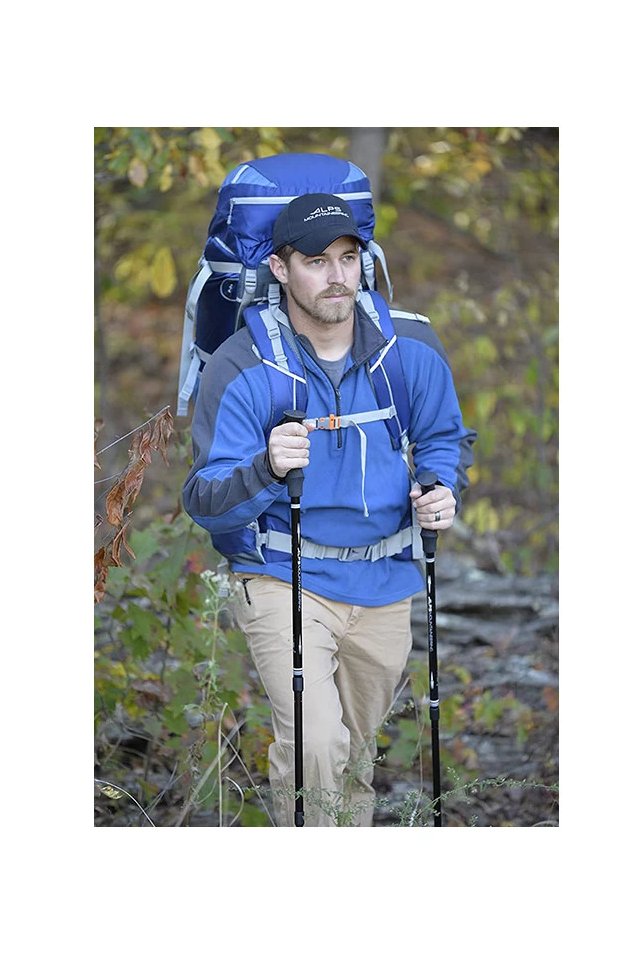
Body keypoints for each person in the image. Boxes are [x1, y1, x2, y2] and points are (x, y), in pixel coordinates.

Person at [182, 192, 475, 826]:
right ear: (280, 268)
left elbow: (444, 439)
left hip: (386, 580)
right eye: (316, 261)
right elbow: (205, 500)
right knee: (316, 748)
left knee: (355, 762)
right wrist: (266, 468)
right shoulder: (244, 365)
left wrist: (439, 485)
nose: (337, 275)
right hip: (283, 575)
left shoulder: (409, 349)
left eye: (348, 257)